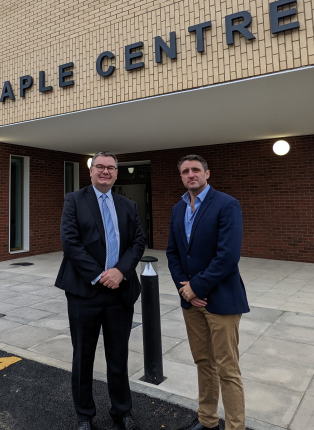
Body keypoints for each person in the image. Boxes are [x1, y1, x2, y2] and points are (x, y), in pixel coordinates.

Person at [57, 151, 146, 430]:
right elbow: (70, 242)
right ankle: (85, 416)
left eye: (110, 168)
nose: (105, 171)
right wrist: (99, 275)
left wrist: (120, 271)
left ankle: (122, 411)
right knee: (83, 356)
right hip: (85, 291)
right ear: (91, 171)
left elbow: (138, 243)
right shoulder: (74, 200)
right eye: (100, 167)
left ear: (117, 173)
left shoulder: (128, 205)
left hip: (120, 291)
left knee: (118, 356)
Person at [166, 154, 249, 430]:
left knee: (228, 369)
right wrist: (185, 289)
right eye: (185, 171)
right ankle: (207, 419)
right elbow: (173, 252)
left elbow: (227, 256)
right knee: (204, 362)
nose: (191, 175)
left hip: (221, 300)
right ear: (181, 176)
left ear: (207, 174)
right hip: (191, 302)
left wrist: (196, 287)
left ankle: (235, 427)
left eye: (196, 170)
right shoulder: (178, 208)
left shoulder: (227, 204)